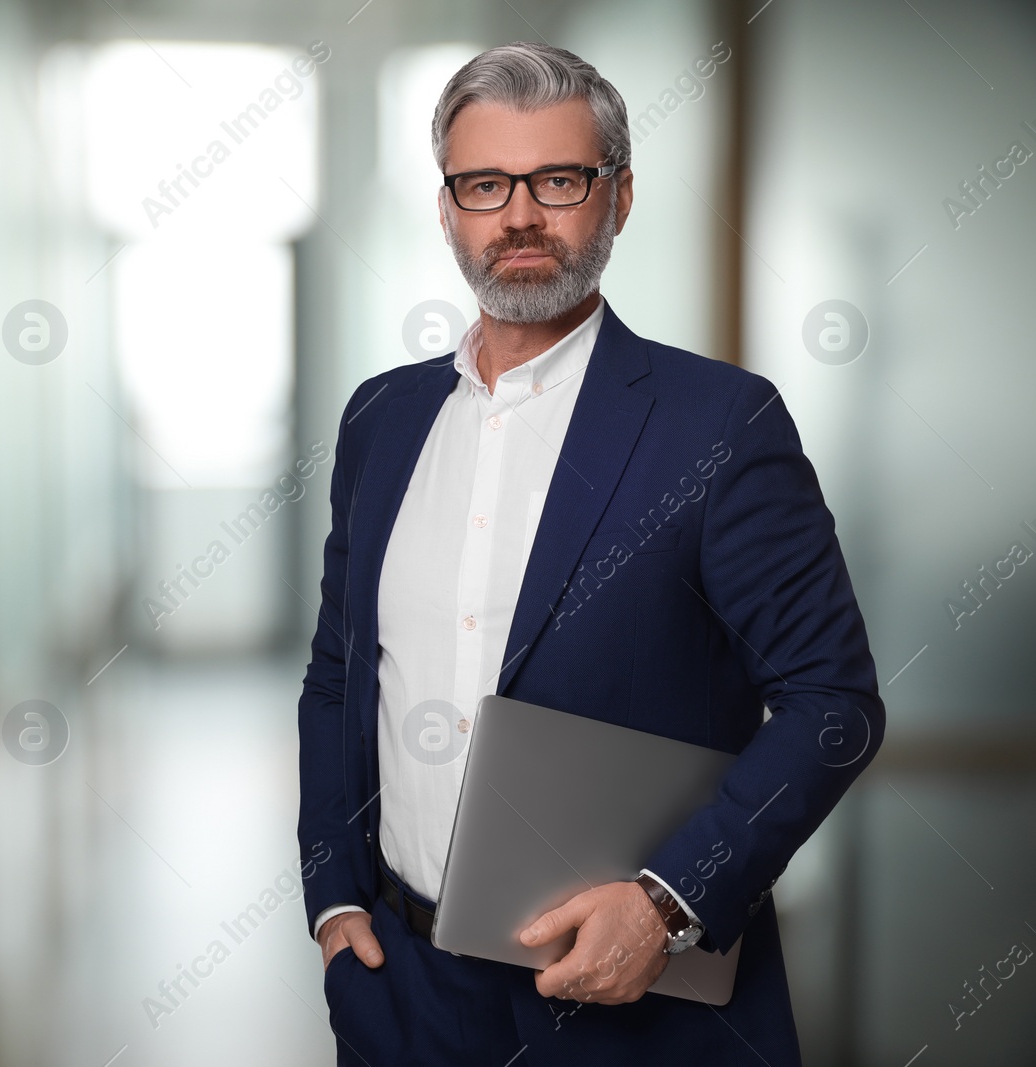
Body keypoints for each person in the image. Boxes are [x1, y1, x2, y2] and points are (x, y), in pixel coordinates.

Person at [296, 42, 882, 1066]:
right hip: (402, 988)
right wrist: (334, 892)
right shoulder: (380, 420)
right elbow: (339, 671)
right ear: (447, 210)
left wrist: (669, 901)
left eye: (557, 179)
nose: (518, 215)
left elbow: (833, 700)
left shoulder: (719, 425)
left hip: (634, 1006)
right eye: (484, 184)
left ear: (615, 199)